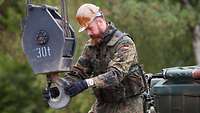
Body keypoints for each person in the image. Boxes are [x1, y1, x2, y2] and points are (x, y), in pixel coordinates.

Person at [44, 3, 145, 113]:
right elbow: (79, 73)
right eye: (86, 30)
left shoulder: (124, 43)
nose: (88, 33)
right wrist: (59, 88)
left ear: (100, 22)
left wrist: (86, 83)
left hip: (128, 103)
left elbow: (115, 75)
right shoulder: (91, 46)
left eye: (90, 28)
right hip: (104, 103)